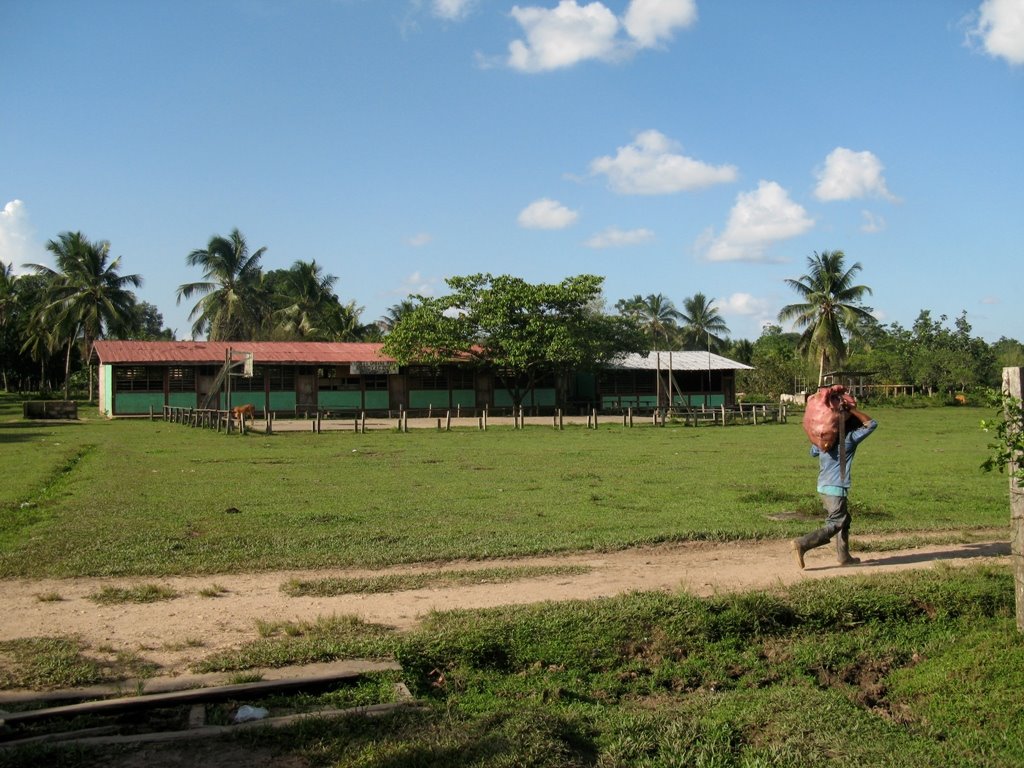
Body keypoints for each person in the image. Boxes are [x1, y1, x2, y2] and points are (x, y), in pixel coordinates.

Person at [792, 405, 877, 569]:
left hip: (823, 486)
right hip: (836, 487)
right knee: (837, 522)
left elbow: (812, 452)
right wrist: (852, 410)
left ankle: (844, 556)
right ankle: (802, 543)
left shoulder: (824, 440)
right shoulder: (849, 439)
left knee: (844, 520)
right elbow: (872, 424)